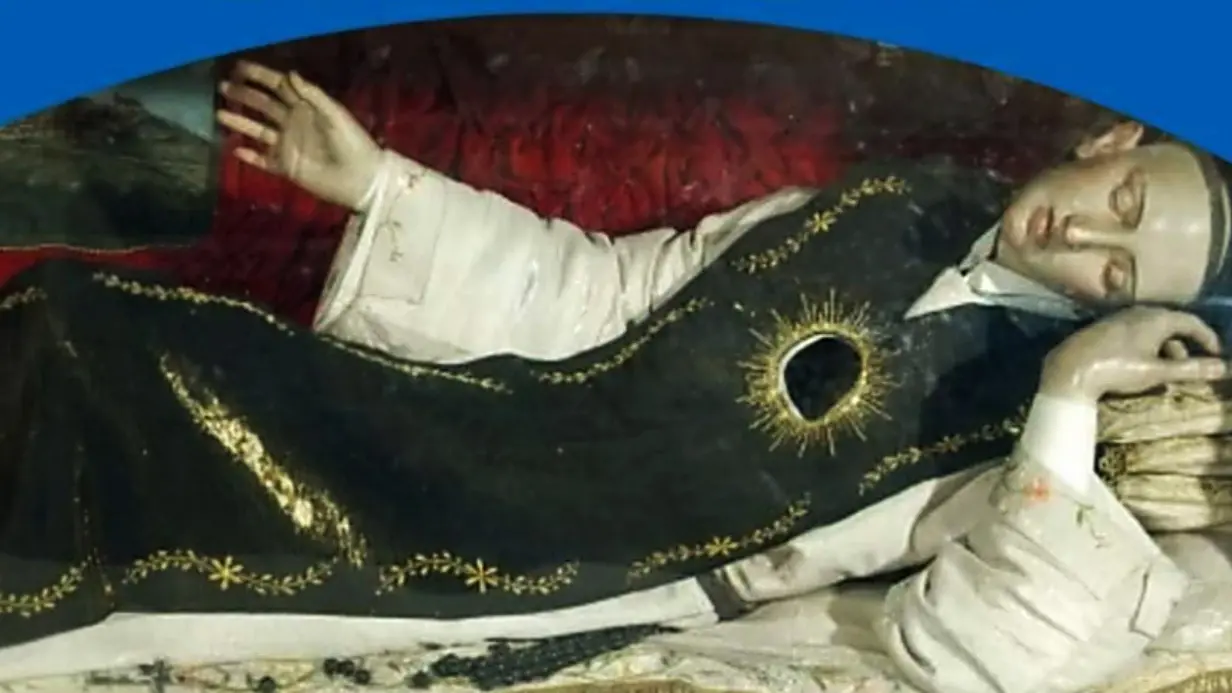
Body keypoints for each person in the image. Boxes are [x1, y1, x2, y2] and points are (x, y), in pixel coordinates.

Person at [0, 260, 1227, 693]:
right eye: (1115, 200)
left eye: (1123, 272)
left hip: (598, 557)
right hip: (515, 413)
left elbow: (992, 653)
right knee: (84, 328)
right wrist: (378, 188)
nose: (1085, 240)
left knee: (146, 462)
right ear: (1103, 139)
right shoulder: (905, 201)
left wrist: (1065, 397)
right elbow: (618, 292)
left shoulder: (1087, 446)